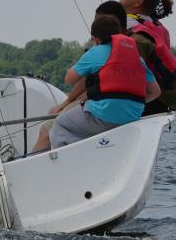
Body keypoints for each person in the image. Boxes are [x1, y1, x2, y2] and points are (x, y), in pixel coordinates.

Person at [31, 15, 159, 153]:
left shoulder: (96, 52)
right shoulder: (137, 58)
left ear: (96, 39)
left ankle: (65, 160)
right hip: (132, 116)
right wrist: (127, 103)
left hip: (102, 114)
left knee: (60, 124)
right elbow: (155, 92)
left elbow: (69, 79)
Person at [48, 0, 130, 116]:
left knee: (55, 121)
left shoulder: (100, 51)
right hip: (129, 109)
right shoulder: (130, 47)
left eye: (100, 21)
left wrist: (88, 95)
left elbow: (69, 79)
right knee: (57, 112)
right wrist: (68, 101)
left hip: (105, 109)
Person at [121, 0, 176, 115]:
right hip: (162, 101)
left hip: (141, 97)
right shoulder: (159, 27)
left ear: (138, 2)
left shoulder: (127, 24)